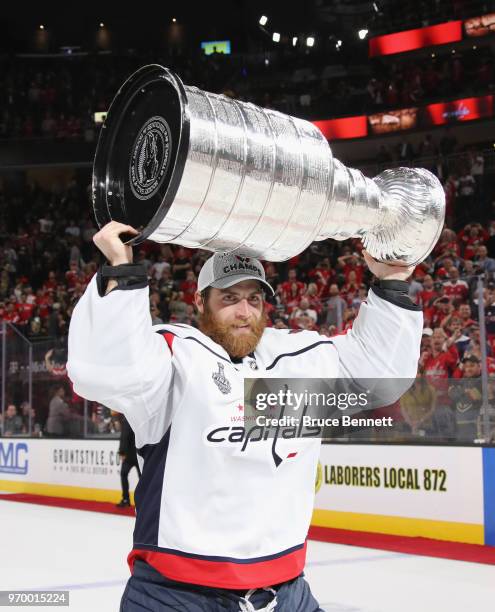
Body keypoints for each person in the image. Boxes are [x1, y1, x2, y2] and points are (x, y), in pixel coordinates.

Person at [67, 221, 422, 612]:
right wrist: (121, 271)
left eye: (254, 299)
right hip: (177, 597)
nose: (244, 312)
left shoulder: (291, 359)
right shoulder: (175, 360)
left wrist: (390, 284)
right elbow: (107, 370)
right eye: (230, 298)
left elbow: (378, 375)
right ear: (200, 302)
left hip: (286, 593)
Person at [116, 414, 142, 508]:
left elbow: (125, 436)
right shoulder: (138, 417)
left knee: (124, 474)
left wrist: (122, 452)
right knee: (142, 478)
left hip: (130, 455)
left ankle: (126, 499)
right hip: (140, 453)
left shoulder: (128, 418)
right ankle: (143, 500)